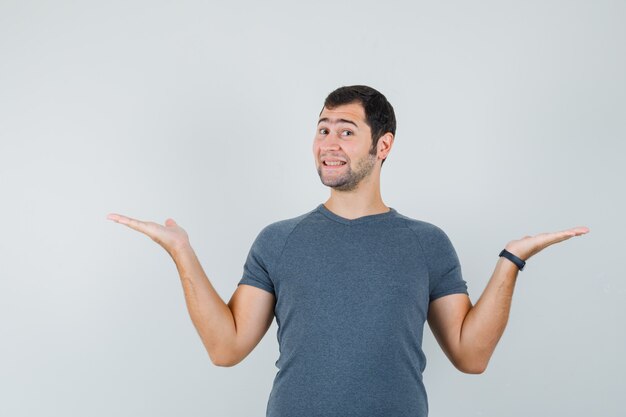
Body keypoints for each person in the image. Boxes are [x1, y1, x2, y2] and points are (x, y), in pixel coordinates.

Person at [106, 85, 589, 417]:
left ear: (384, 145)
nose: (328, 143)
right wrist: (182, 253)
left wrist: (511, 260)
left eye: (345, 130)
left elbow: (471, 355)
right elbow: (226, 348)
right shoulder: (279, 240)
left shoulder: (427, 243)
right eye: (322, 128)